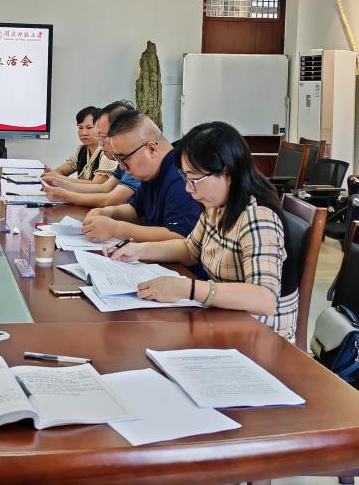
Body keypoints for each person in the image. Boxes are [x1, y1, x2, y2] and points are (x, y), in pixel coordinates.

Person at [109, 121, 297, 342]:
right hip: (226, 318)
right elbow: (190, 250)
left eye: (195, 179)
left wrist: (187, 289)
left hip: (260, 336)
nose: (188, 188)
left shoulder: (258, 216)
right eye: (186, 178)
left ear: (227, 173)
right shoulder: (217, 203)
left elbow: (264, 299)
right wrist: (138, 250)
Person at [81, 111, 201, 242]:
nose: (121, 167)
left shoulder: (182, 176)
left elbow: (180, 236)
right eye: (117, 159)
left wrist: (116, 229)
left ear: (151, 149)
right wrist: (108, 212)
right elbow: (136, 210)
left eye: (124, 159)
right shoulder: (151, 172)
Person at [42, 101, 140, 208]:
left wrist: (66, 195)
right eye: (80, 128)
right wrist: (58, 182)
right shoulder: (123, 161)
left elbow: (110, 199)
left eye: (103, 136)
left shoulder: (137, 162)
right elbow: (104, 188)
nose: (100, 143)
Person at [48, 106, 118, 183]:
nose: (84, 133)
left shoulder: (108, 152)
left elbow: (96, 185)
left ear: (100, 128)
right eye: (80, 128)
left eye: (89, 127)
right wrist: (53, 175)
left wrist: (58, 178)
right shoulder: (82, 149)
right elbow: (61, 171)